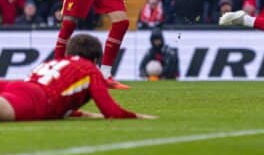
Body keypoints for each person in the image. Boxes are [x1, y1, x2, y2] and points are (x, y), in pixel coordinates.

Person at [0, 34, 156, 121]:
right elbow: (111, 111)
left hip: (17, 86)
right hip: (37, 99)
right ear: (95, 60)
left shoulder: (57, 61)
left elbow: (63, 105)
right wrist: (138, 116)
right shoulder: (89, 69)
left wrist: (88, 115)